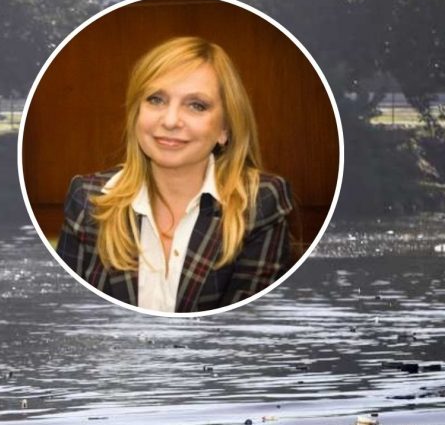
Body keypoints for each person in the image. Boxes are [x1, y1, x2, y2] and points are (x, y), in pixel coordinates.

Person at [55, 36, 293, 313]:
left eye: (196, 105)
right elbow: (67, 316)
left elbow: (242, 332)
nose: (169, 121)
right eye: (156, 99)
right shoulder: (88, 198)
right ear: (136, 114)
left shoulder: (259, 203)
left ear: (224, 129)